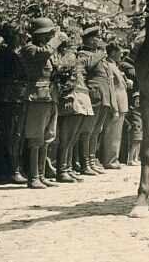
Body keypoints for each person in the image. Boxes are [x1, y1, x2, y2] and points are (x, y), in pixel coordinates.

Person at [20, 17, 63, 189]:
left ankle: (42, 174)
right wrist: (57, 39)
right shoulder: (30, 48)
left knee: (47, 137)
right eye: (49, 33)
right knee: (35, 137)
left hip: (49, 96)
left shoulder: (48, 50)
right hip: (36, 96)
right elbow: (42, 54)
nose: (51, 36)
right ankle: (33, 176)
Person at [0, 25, 28, 184]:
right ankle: (12, 170)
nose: (20, 38)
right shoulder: (4, 55)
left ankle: (10, 169)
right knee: (11, 135)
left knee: (15, 135)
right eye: (18, 36)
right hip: (9, 98)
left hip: (16, 97)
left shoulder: (14, 54)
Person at [55, 34, 93, 183]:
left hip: (80, 97)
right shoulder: (67, 58)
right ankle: (62, 169)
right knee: (66, 137)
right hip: (72, 98)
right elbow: (63, 78)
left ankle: (68, 168)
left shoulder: (73, 58)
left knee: (72, 137)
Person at [77, 26, 111, 175]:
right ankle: (85, 163)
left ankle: (92, 159)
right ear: (90, 39)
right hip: (94, 95)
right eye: (96, 38)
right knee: (87, 131)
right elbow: (87, 66)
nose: (99, 40)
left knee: (97, 130)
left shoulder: (97, 54)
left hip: (103, 96)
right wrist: (101, 54)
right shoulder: (83, 54)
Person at [100, 43, 129, 168]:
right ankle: (109, 160)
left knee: (116, 133)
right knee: (112, 133)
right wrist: (114, 107)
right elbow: (111, 86)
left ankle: (114, 158)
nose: (121, 55)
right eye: (119, 52)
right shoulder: (109, 65)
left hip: (121, 101)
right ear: (112, 52)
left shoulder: (114, 65)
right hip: (116, 102)